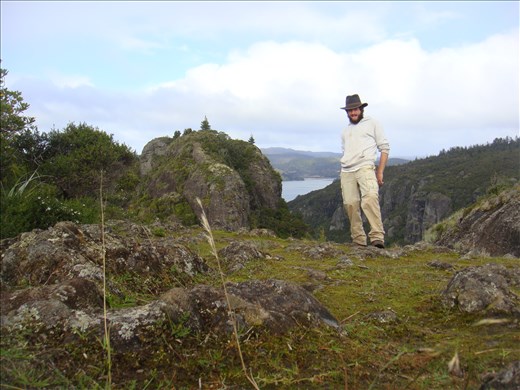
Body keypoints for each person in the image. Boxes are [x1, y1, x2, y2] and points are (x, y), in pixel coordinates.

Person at [339, 94, 390, 248]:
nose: (353, 113)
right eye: (350, 110)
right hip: (347, 170)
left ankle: (377, 238)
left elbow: (384, 148)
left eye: (355, 109)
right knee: (350, 204)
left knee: (370, 198)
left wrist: (380, 172)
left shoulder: (373, 123)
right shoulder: (345, 131)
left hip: (365, 167)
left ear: (361, 109)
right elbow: (345, 151)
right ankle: (359, 240)